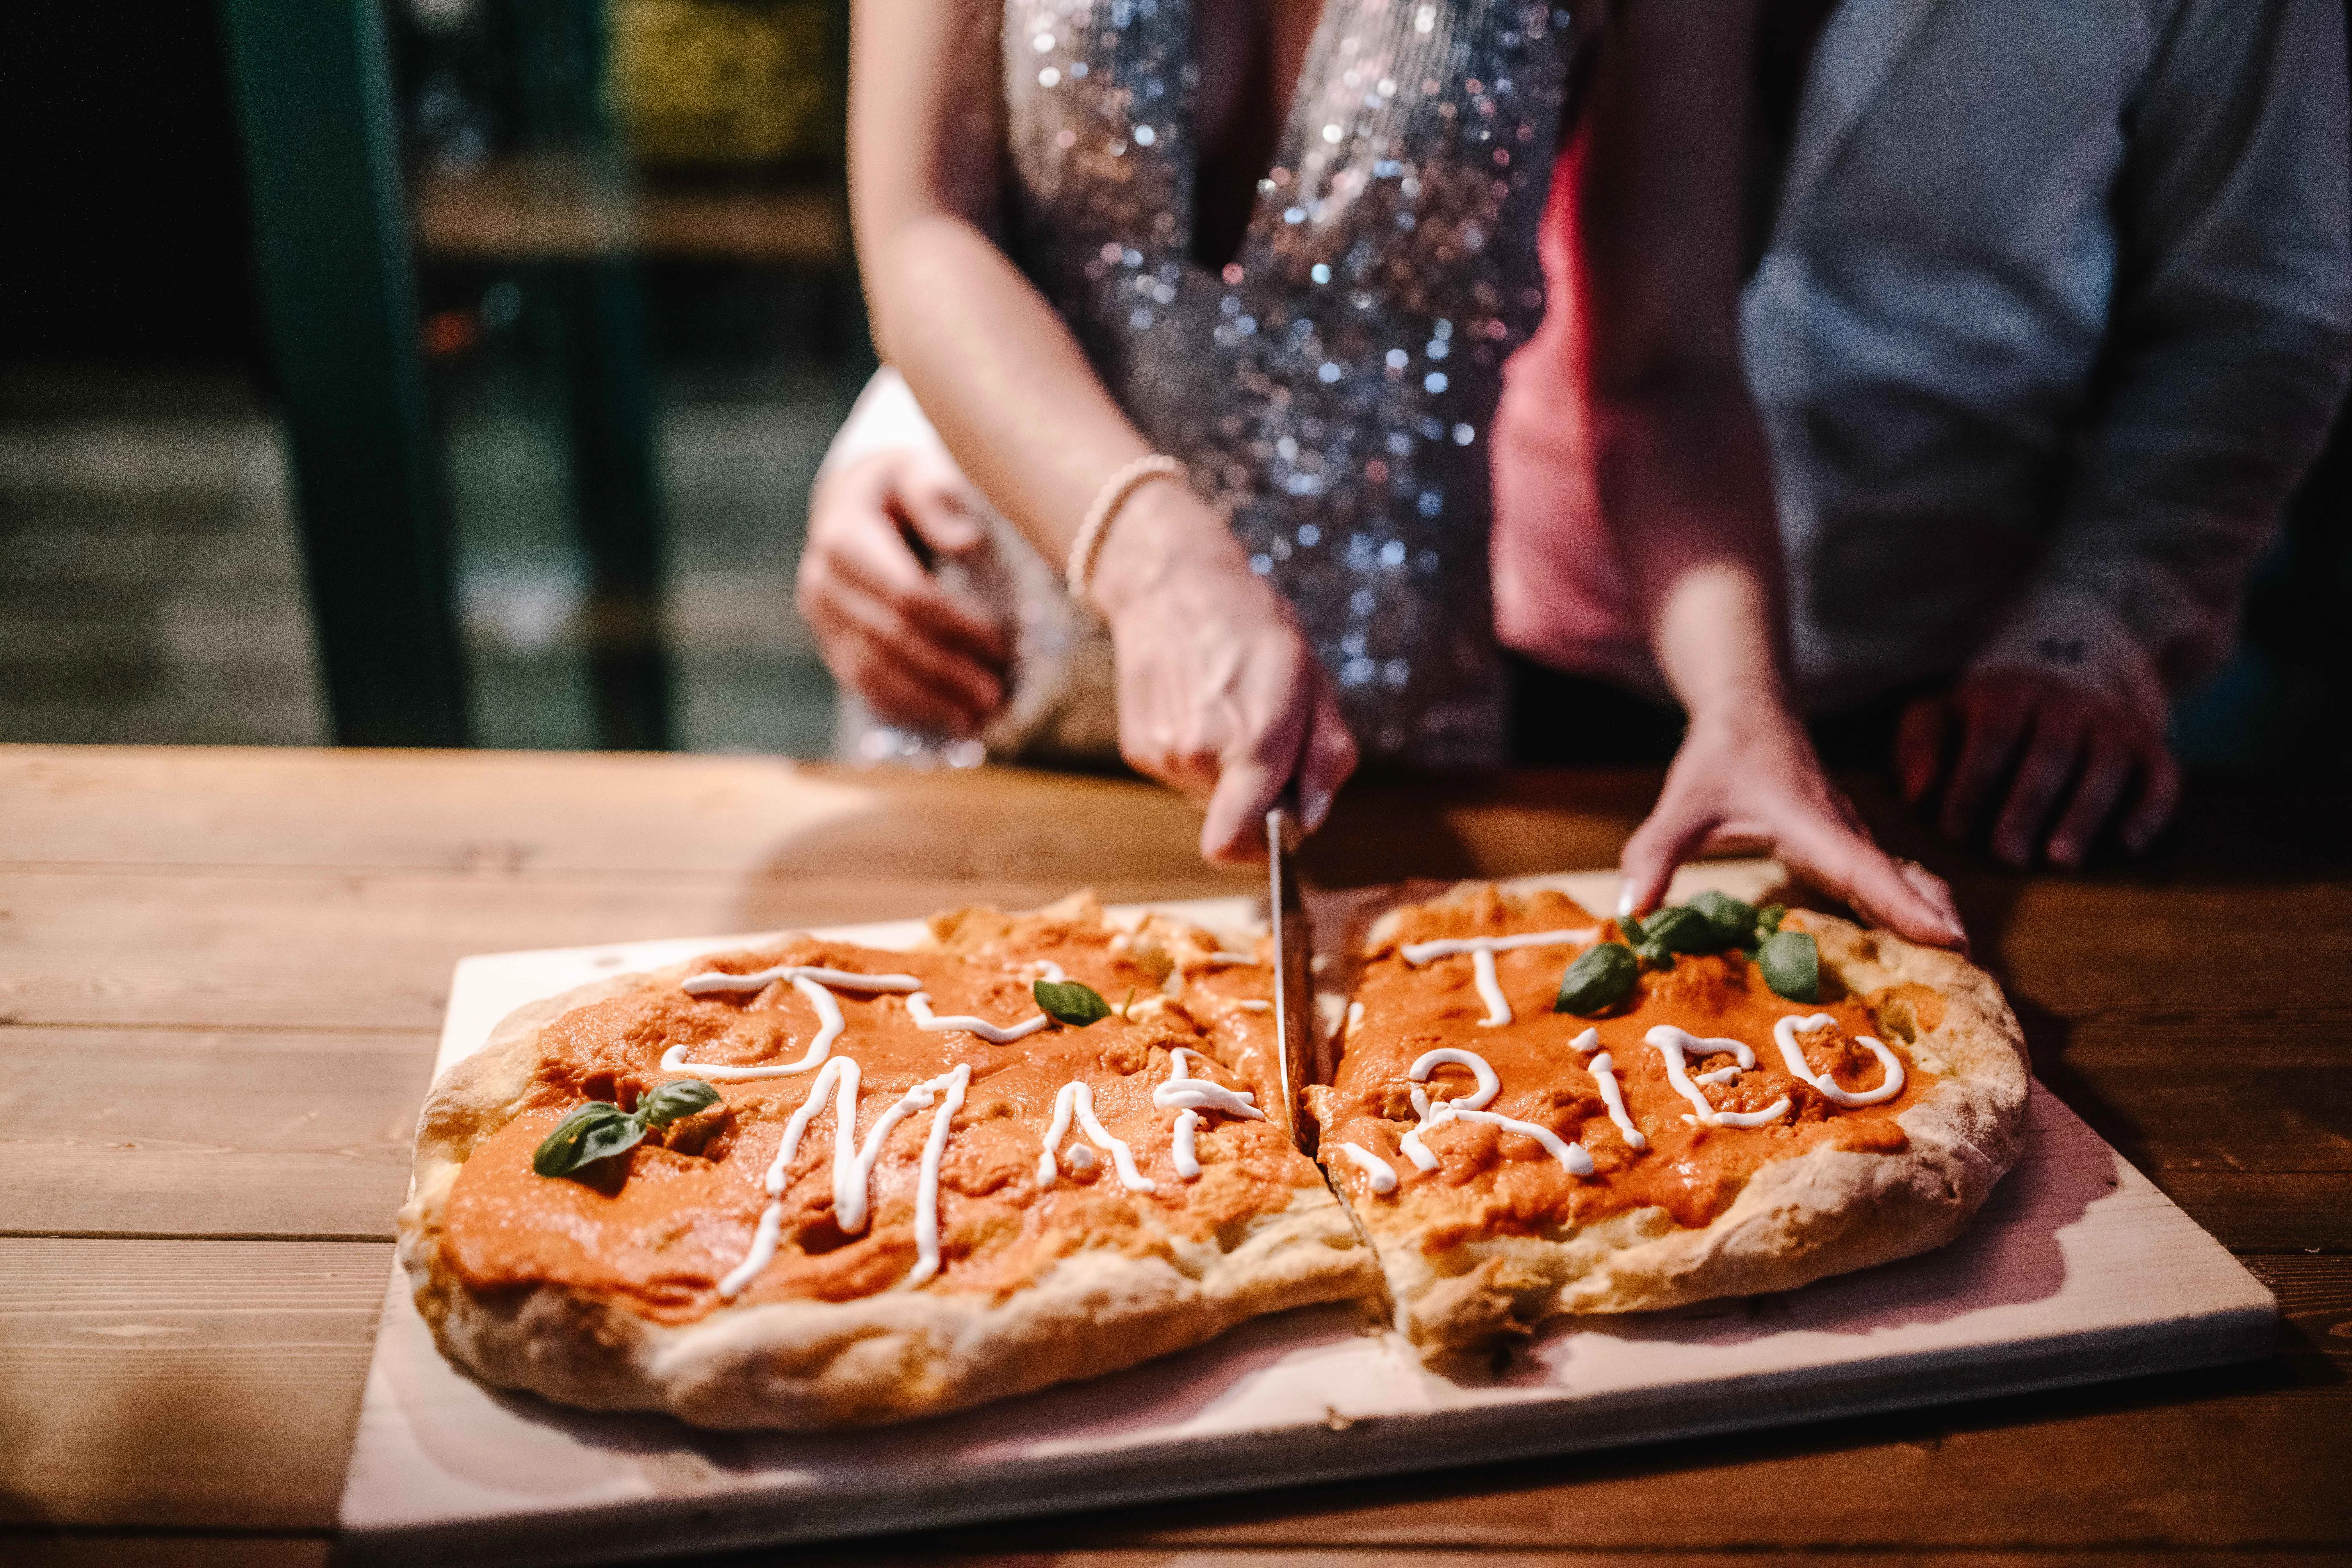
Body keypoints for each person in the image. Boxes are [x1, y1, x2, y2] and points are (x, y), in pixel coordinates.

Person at [807, 0, 1975, 945]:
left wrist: (1741, 706)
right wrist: (1153, 557)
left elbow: (1667, 371)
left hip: (1390, 779)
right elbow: (920, 229)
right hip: (978, 710)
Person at [1494, 0, 2352, 878]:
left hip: (1962, 691)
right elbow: (1663, 371)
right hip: (1523, 622)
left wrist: (2091, 631)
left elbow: (2258, 315)